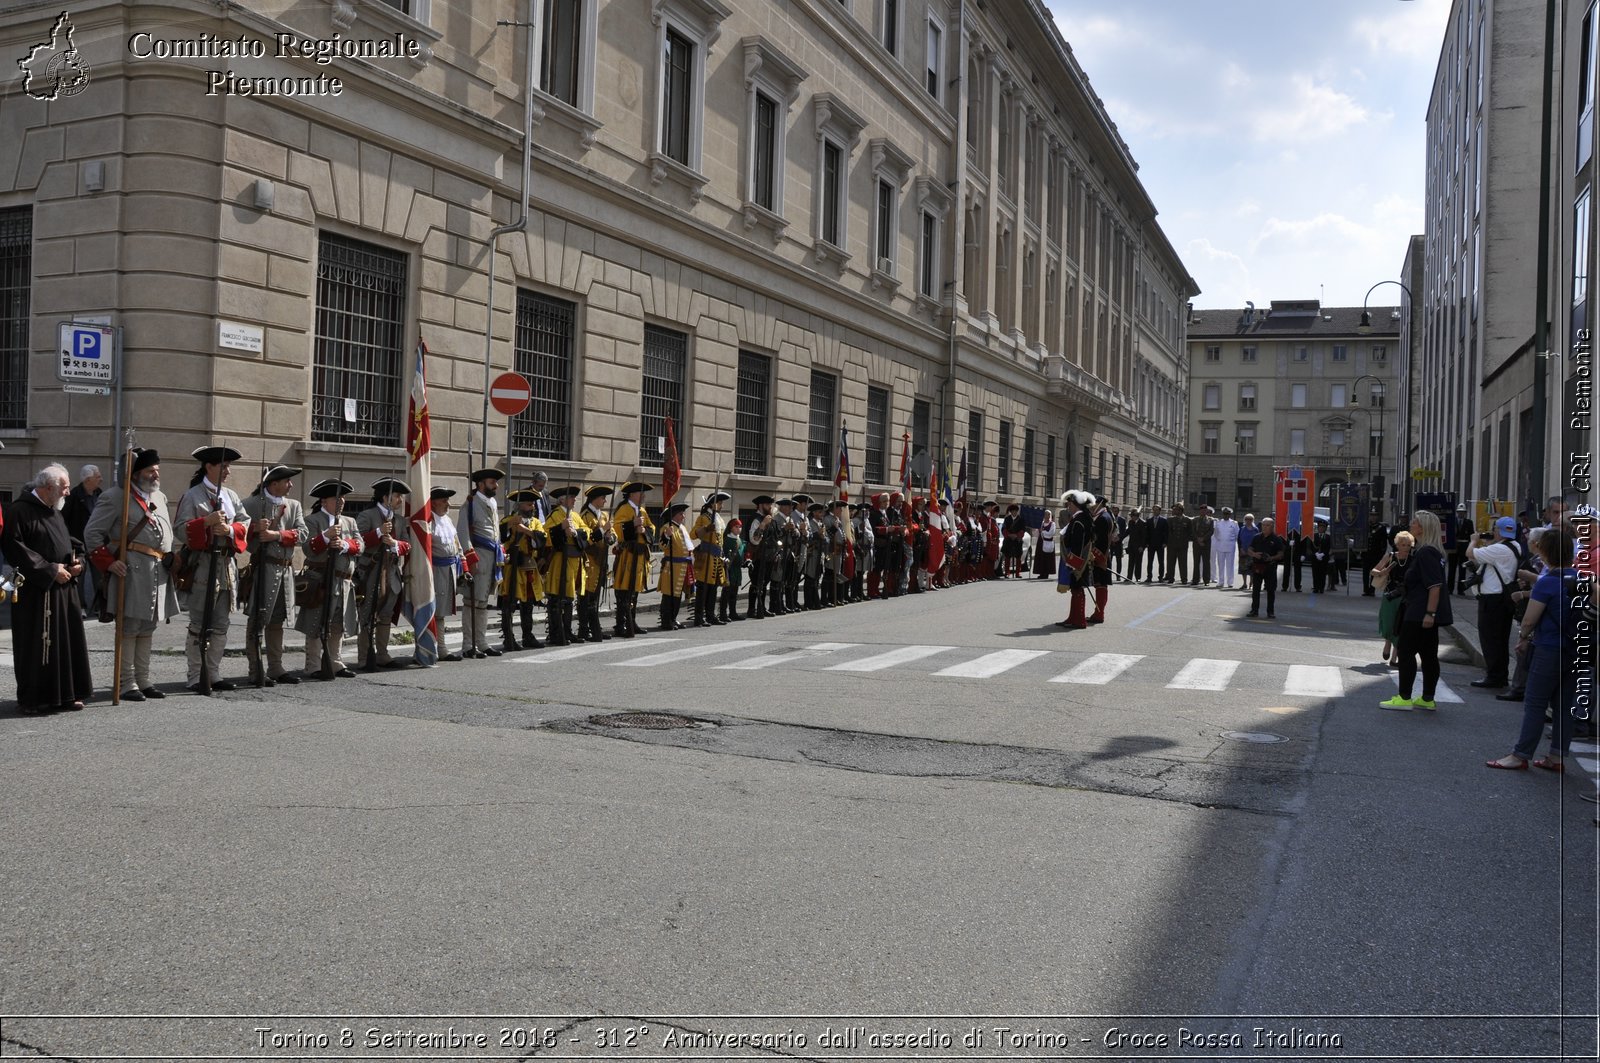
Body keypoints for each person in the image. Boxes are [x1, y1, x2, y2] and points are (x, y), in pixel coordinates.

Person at [1486, 526, 1580, 771]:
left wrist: (1523, 637)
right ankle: (1557, 757)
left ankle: (1520, 755)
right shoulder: (1581, 579)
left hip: (1549, 647)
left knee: (1535, 702)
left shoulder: (1547, 582)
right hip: (1575, 649)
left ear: (1546, 553)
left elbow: (1529, 619)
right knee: (1563, 705)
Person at [85, 448, 177, 701]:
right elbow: (92, 534)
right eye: (150, 470)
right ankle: (127, 683)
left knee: (148, 627)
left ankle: (144, 680)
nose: (155, 474)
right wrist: (109, 563)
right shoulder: (116, 497)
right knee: (129, 627)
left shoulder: (159, 495)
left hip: (156, 572)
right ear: (135, 474)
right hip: (131, 571)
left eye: (157, 469)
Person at [2, 464, 92, 712]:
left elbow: (71, 542)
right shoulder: (19, 511)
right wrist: (51, 570)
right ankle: (34, 699)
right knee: (38, 646)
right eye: (63, 487)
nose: (67, 493)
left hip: (64, 590)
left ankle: (66, 694)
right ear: (46, 488)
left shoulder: (54, 511)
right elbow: (14, 548)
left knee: (67, 644)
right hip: (36, 593)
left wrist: (77, 562)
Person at [176, 445, 250, 693]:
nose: (228, 471)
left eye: (229, 466)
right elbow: (181, 529)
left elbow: (244, 523)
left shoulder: (231, 496)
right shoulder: (193, 495)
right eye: (224, 466)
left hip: (226, 567)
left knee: (220, 623)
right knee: (199, 622)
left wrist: (229, 530)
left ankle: (214, 673)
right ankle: (196, 675)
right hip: (203, 566)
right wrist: (205, 523)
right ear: (209, 467)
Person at [241, 464, 308, 686]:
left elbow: (303, 534)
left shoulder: (294, 505)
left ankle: (276, 667)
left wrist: (276, 535)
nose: (290, 484)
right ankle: (255, 669)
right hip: (263, 569)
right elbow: (239, 534)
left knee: (277, 622)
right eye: (287, 481)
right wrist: (254, 530)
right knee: (257, 621)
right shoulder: (250, 504)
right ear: (273, 484)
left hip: (286, 570)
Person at [1380, 510, 1452, 710]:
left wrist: (1430, 613)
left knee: (1406, 652)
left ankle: (1404, 697)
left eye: (1415, 522)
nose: (1411, 524)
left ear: (1422, 528)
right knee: (1428, 655)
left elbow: (1434, 586)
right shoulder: (1433, 551)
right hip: (1423, 610)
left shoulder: (1426, 552)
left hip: (1419, 612)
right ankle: (1427, 698)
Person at [295, 478, 362, 679]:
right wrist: (325, 537)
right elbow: (308, 548)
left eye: (343, 497)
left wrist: (343, 544)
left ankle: (335, 662)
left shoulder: (350, 521)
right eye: (337, 497)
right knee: (316, 623)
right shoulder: (313, 520)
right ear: (324, 501)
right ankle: (313, 665)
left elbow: (360, 546)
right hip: (321, 579)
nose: (342, 501)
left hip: (344, 581)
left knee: (337, 623)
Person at [355, 476, 413, 670]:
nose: (400, 500)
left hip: (392, 573)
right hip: (371, 573)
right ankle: (364, 657)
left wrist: (395, 544)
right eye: (396, 496)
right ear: (384, 498)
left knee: (385, 616)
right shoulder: (367, 516)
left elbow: (407, 544)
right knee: (367, 616)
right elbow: (359, 542)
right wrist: (379, 533)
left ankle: (382, 654)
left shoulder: (399, 520)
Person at [1466, 516, 1524, 690]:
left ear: (1498, 531)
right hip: (1501, 599)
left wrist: (1474, 540)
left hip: (1493, 600)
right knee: (1499, 639)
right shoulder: (1515, 546)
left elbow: (1470, 553)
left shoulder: (1499, 549)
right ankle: (1498, 674)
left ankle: (1495, 676)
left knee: (1490, 639)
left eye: (1495, 530)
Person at [460, 468, 505, 658]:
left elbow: (495, 532)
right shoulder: (470, 504)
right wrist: (470, 559)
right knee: (472, 602)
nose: (496, 485)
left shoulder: (493, 503)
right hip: (478, 555)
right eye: (492, 482)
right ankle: (468, 644)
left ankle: (482, 642)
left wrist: (501, 551)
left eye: (495, 482)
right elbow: (463, 532)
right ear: (480, 484)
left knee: (483, 602)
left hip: (492, 557)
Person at [498, 488, 546, 650]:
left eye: (533, 504)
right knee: (509, 603)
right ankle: (508, 637)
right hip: (513, 566)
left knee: (528, 603)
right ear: (520, 505)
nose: (532, 507)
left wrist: (524, 530)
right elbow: (501, 537)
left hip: (530, 566)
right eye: (528, 504)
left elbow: (541, 539)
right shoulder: (508, 520)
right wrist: (512, 525)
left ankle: (528, 635)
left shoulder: (536, 523)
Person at [426, 487, 467, 661]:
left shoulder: (448, 521)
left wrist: (464, 569)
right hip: (435, 570)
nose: (448, 504)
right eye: (444, 500)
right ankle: (434, 648)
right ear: (434, 503)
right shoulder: (428, 522)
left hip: (450, 568)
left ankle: (441, 647)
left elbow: (457, 546)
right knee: (435, 612)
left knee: (442, 611)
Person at [542, 485, 585, 645]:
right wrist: (561, 529)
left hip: (573, 561)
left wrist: (575, 533)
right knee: (557, 598)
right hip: (560, 561)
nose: (574, 500)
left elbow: (585, 531)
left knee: (569, 598)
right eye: (572, 497)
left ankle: (567, 630)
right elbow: (545, 536)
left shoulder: (575, 515)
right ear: (563, 500)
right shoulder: (555, 515)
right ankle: (556, 632)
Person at [611, 482, 654, 638]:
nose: (643, 495)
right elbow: (617, 529)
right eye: (640, 493)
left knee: (635, 590)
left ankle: (632, 621)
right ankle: (621, 623)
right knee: (624, 589)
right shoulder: (624, 509)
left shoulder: (642, 511)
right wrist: (631, 525)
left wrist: (644, 530)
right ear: (631, 494)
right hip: (628, 555)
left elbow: (651, 528)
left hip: (641, 555)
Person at [577, 485, 616, 641]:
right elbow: (586, 539)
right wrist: (602, 531)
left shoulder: (604, 515)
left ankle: (595, 628)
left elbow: (612, 536)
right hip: (589, 561)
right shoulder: (585, 516)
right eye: (603, 498)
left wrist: (610, 537)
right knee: (586, 596)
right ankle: (584, 629)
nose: (605, 500)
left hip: (601, 560)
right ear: (595, 499)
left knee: (595, 597)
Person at [64, 464, 102, 618]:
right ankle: (80, 607)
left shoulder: (100, 494)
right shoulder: (73, 496)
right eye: (97, 476)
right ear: (88, 479)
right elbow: (64, 519)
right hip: (78, 543)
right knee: (78, 576)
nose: (101, 479)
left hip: (97, 543)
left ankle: (100, 606)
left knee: (99, 576)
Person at [1372, 530, 1413, 664]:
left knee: (1400, 625)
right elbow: (1373, 571)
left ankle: (1395, 657)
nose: (1405, 547)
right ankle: (1387, 643)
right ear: (1397, 545)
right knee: (1389, 623)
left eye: (1408, 545)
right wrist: (1382, 572)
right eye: (1403, 544)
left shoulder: (1413, 559)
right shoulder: (1390, 556)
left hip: (1404, 596)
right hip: (1390, 594)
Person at [692, 490, 729, 626]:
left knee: (713, 588)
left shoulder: (717, 518)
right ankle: (699, 617)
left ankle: (710, 615)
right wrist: (706, 529)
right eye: (719, 503)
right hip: (706, 557)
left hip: (716, 557)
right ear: (712, 504)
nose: (721, 505)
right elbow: (693, 534)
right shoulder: (703, 518)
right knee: (703, 589)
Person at [1056, 493, 1092, 629]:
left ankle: (1079, 620)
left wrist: (1073, 563)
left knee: (1077, 589)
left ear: (1076, 505)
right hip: (1078, 561)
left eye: (1070, 504)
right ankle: (1073, 617)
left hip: (1077, 562)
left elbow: (1078, 544)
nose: (1068, 506)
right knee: (1076, 589)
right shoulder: (1080, 519)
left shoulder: (1079, 521)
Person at [656, 501, 691, 630]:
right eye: (681, 514)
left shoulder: (682, 528)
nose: (683, 516)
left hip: (681, 566)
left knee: (677, 595)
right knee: (668, 595)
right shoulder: (667, 527)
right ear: (675, 515)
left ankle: (673, 618)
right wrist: (667, 535)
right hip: (672, 567)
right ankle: (666, 620)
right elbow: (663, 545)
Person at [1245, 517, 1286, 619]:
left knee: (1271, 590)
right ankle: (1254, 611)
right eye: (1263, 525)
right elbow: (1249, 549)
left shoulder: (1276, 539)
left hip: (1270, 568)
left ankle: (1270, 612)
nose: (1264, 527)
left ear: (1272, 527)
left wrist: (1271, 558)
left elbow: (1281, 554)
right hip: (1258, 567)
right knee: (1256, 590)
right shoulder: (1256, 537)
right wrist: (1254, 554)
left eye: (1267, 525)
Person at [1089, 495, 1115, 623]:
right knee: (1100, 585)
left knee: (1100, 585)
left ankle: (1099, 614)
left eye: (1094, 503)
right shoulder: (1104, 516)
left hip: (1100, 555)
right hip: (1101, 555)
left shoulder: (1103, 518)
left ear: (1100, 504)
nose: (1092, 506)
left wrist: (1098, 557)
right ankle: (1098, 612)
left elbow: (1102, 541)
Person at [721, 516, 746, 621]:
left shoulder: (740, 540)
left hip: (737, 569)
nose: (739, 529)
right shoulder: (726, 539)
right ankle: (723, 613)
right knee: (726, 592)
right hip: (729, 568)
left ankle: (733, 612)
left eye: (740, 526)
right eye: (736, 527)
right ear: (731, 528)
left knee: (734, 592)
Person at [1212, 507, 1239, 591]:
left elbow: (1237, 534)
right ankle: (1221, 581)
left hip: (1230, 546)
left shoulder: (1234, 523)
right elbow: (1216, 534)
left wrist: (1231, 542)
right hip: (1220, 546)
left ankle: (1230, 582)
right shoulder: (1218, 523)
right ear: (1222, 514)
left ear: (1230, 514)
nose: (1226, 515)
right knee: (1221, 565)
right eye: (1224, 513)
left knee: (1230, 565)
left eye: (1227, 514)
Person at [1165, 502, 1191, 584]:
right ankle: (1170, 578)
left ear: (1181, 510)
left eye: (1176, 510)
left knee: (1183, 563)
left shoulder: (1187, 520)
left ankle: (1184, 579)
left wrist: (1185, 539)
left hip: (1183, 545)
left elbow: (1190, 532)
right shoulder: (1170, 520)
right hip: (1172, 545)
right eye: (1174, 509)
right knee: (1170, 562)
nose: (1174, 511)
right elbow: (1168, 532)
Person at [1190, 504, 1214, 585]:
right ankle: (1195, 579)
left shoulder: (1210, 520)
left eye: (1205, 510)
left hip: (1206, 544)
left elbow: (1211, 531)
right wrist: (1198, 539)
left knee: (1206, 562)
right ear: (1199, 511)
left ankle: (1206, 580)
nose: (1203, 511)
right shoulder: (1195, 520)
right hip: (1197, 544)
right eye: (1202, 510)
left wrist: (1203, 539)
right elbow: (1192, 531)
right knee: (1196, 562)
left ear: (1207, 511)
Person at [1001, 503, 1026, 578]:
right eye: (1013, 511)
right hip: (1008, 539)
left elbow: (1023, 529)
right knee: (1007, 556)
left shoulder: (1021, 519)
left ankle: (1018, 573)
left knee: (1018, 557)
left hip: (1017, 540)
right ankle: (1007, 572)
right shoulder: (1007, 519)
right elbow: (1004, 529)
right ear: (1011, 512)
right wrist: (1009, 535)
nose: (1014, 512)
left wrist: (1017, 535)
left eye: (1015, 511)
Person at [1308, 517, 1332, 593]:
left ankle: (1321, 588)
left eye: (1323, 527)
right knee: (1315, 573)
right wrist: (1315, 554)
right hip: (1315, 558)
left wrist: (1323, 554)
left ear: (1325, 528)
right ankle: (1316, 587)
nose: (1321, 528)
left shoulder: (1328, 537)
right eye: (1320, 527)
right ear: (1318, 528)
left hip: (1324, 558)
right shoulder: (1314, 536)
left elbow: (1329, 547)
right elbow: (1310, 547)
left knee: (1322, 573)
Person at [1236, 514, 1259, 589]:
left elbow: (1257, 541)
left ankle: (1251, 583)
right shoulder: (1242, 529)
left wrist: (1253, 551)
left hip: (1252, 551)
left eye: (1250, 519)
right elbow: (1239, 540)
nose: (1248, 521)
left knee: (1252, 568)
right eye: (1247, 519)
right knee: (1243, 568)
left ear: (1253, 520)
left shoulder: (1255, 529)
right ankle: (1244, 583)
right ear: (1244, 520)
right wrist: (1241, 549)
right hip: (1243, 551)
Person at [1034, 508, 1057, 579]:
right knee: (1041, 558)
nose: (1047, 516)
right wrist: (1038, 531)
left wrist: (1043, 532)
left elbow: (1051, 533)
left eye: (1048, 515)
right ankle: (1041, 573)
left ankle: (1046, 573)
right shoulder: (1041, 523)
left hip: (1048, 542)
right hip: (1041, 542)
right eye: (1046, 514)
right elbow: (1037, 533)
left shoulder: (1052, 524)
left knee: (1047, 558)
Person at [1147, 504, 1167, 582]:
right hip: (1151, 544)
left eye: (1156, 510)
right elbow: (1147, 533)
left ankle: (1160, 577)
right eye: (1154, 510)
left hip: (1160, 544)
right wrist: (1147, 543)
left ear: (1159, 511)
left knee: (1161, 562)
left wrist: (1165, 542)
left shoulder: (1164, 520)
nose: (1155, 511)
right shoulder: (1149, 520)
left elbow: (1166, 532)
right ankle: (1149, 577)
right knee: (1150, 561)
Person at [1125, 508, 1146, 582]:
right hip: (1131, 546)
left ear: (1136, 516)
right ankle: (1129, 577)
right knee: (1130, 562)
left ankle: (1138, 577)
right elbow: (1127, 532)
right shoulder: (1131, 522)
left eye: (1132, 516)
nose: (1131, 517)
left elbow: (1144, 537)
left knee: (1138, 562)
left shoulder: (1142, 523)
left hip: (1139, 547)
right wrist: (1119, 537)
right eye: (1131, 516)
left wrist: (1142, 546)